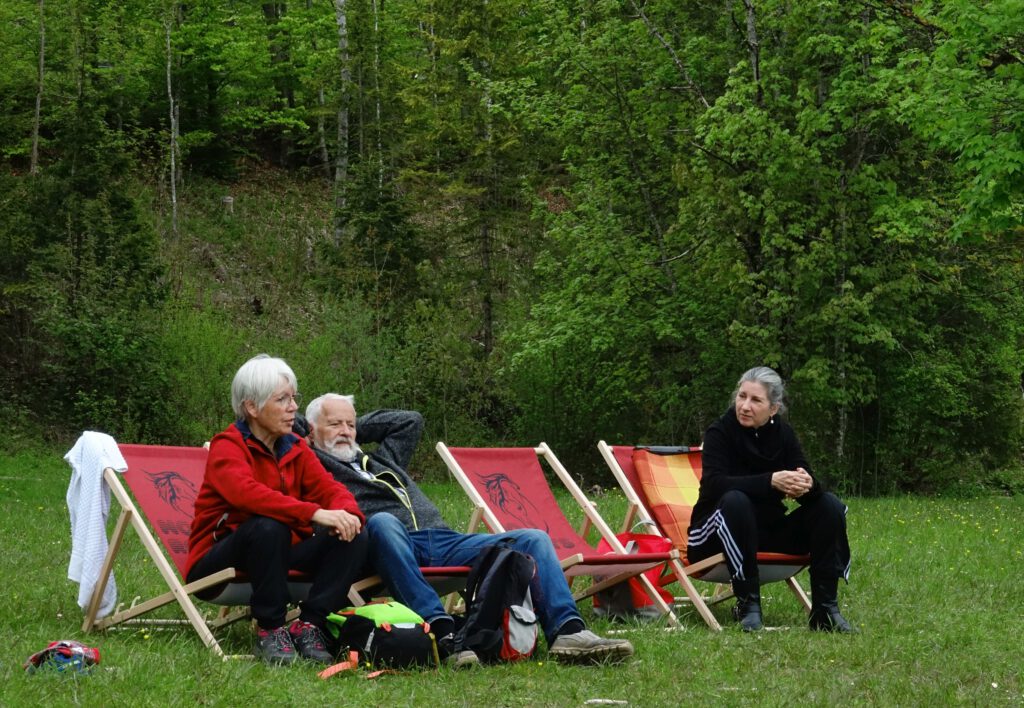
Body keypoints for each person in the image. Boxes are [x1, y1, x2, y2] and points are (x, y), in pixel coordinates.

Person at [297, 393, 635, 665]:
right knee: (384, 521)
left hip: (442, 539)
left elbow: (409, 422)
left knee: (532, 538)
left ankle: (568, 631)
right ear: (311, 431)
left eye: (350, 424)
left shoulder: (382, 459)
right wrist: (316, 433)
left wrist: (350, 429)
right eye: (335, 424)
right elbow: (287, 430)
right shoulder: (310, 462)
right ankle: (442, 630)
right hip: (385, 542)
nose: (346, 431)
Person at [186, 355, 369, 665]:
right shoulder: (227, 446)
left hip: (279, 554)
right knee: (268, 525)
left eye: (293, 398)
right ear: (252, 408)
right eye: (282, 399)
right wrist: (314, 513)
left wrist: (347, 514)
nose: (293, 407)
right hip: (217, 563)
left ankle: (310, 624)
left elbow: (331, 489)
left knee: (355, 534)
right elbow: (248, 495)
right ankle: (269, 629)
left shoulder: (295, 447)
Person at [686, 366, 853, 632]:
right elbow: (715, 484)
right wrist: (770, 481)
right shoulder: (720, 432)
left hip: (764, 534)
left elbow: (804, 475)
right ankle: (749, 607)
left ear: (773, 409)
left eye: (755, 400)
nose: (745, 406)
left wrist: (807, 485)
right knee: (736, 500)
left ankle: (825, 611)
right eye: (741, 396)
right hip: (711, 536)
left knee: (829, 506)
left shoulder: (783, 434)